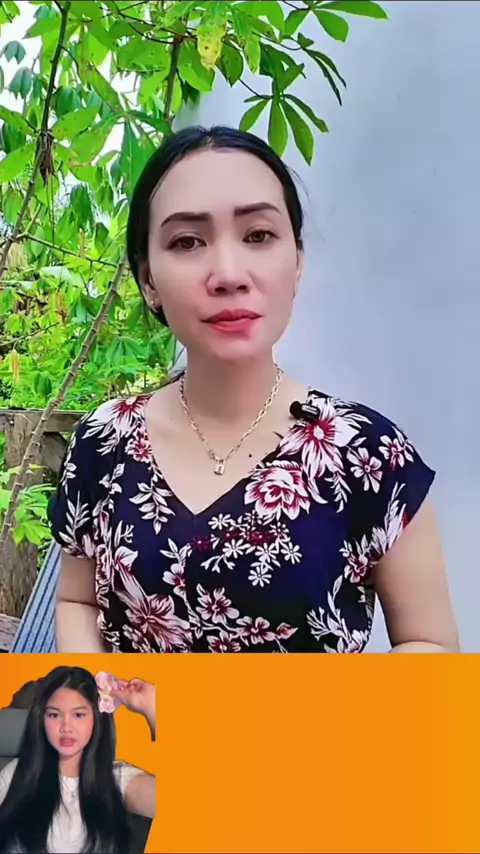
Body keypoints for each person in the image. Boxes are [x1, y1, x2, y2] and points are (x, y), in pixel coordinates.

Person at [50, 124, 459, 655]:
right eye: (187, 242)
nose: (228, 273)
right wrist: (108, 698)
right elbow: (78, 601)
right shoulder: (105, 442)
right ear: (149, 280)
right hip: (138, 715)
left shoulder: (370, 455)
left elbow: (430, 645)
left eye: (258, 235)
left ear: (297, 262)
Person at [0, 666, 156, 853]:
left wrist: (151, 708)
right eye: (54, 715)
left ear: (96, 720)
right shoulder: (16, 772)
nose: (66, 727)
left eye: (79, 715)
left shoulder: (117, 779)